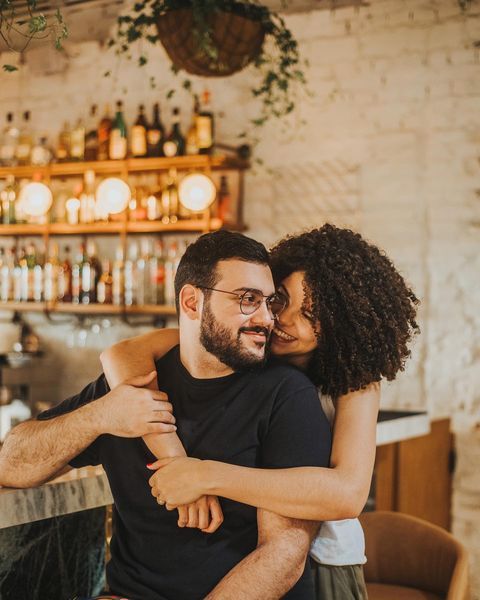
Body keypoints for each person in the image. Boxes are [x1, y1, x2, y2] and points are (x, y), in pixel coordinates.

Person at [0, 230, 332, 600]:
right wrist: (100, 416)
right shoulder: (130, 385)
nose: (266, 319)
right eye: (248, 300)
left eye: (268, 302)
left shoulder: (287, 395)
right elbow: (11, 464)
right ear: (192, 302)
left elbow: (283, 554)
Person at [101, 224, 420, 600]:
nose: (283, 322)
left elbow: (347, 494)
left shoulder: (356, 382)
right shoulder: (247, 341)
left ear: (342, 323)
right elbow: (122, 355)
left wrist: (205, 476)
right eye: (282, 301)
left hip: (325, 560)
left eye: (312, 315)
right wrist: (172, 454)